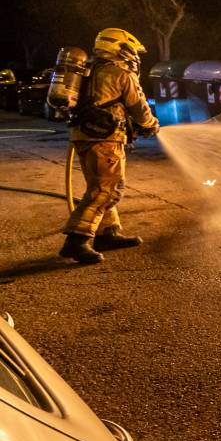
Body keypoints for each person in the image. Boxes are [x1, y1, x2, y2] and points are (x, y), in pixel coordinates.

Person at [60, 27, 159, 264]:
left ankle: (108, 233)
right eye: (131, 50)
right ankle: (77, 240)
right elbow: (139, 108)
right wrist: (151, 124)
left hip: (83, 136)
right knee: (107, 189)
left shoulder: (91, 70)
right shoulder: (120, 72)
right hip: (104, 139)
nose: (133, 56)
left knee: (101, 185)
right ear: (121, 49)